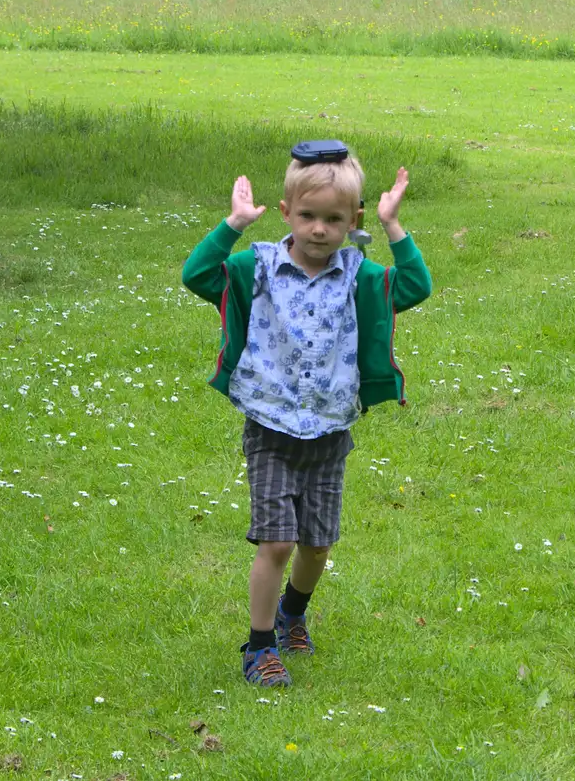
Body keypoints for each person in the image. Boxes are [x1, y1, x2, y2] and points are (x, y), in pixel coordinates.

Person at [179, 144, 431, 687]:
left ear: (353, 220)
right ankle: (260, 645)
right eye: (309, 216)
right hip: (269, 428)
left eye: (335, 219)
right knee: (277, 541)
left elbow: (415, 286)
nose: (320, 229)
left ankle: (295, 612)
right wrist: (233, 225)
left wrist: (392, 226)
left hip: (329, 431)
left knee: (317, 544)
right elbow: (197, 275)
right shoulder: (259, 268)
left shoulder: (359, 276)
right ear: (286, 211)